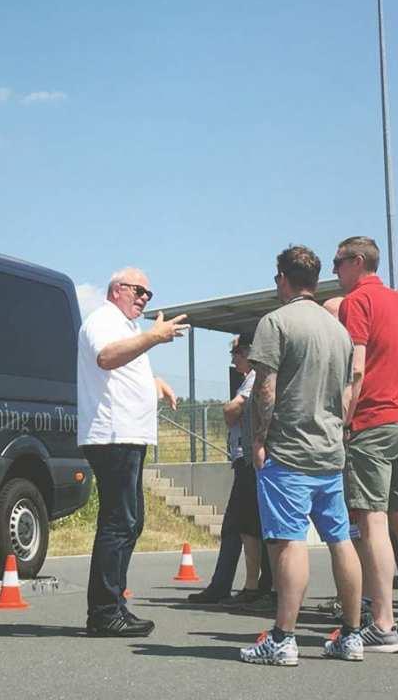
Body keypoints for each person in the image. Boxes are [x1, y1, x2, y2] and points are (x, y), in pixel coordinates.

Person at [239, 246, 366, 665]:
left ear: (282, 278)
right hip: (330, 451)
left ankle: (282, 638)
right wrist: (337, 426)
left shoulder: (276, 323)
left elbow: (265, 388)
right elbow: (350, 389)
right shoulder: (338, 331)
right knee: (340, 540)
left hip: (289, 452)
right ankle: (351, 635)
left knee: (289, 542)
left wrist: (258, 439)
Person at [332, 237, 398, 653]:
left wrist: (344, 419)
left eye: (338, 263)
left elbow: (356, 366)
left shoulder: (358, 301)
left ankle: (382, 623)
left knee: (372, 522)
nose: (335, 272)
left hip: (373, 421)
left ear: (357, 262)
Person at [77, 267, 186, 637]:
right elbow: (106, 358)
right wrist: (155, 337)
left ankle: (114, 605)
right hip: (112, 436)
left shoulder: (127, 327)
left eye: (148, 295)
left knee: (130, 521)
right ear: (116, 290)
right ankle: (105, 611)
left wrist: (153, 381)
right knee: (118, 522)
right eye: (139, 291)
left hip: (127, 436)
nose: (144, 298)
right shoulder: (103, 320)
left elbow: (121, 369)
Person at [188, 336, 271, 607]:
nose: (233, 359)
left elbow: (233, 409)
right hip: (245, 459)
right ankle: (239, 584)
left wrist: (230, 410)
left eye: (236, 352)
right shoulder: (251, 376)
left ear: (249, 351)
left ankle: (251, 587)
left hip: (250, 460)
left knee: (242, 525)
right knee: (241, 526)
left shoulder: (255, 375)